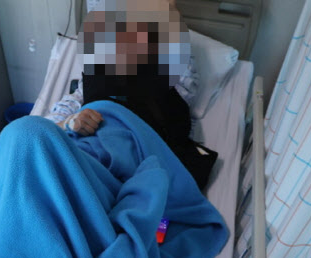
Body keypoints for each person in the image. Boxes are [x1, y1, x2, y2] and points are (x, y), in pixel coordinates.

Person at [44, 0, 217, 190]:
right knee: (26, 133)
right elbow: (46, 129)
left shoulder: (175, 80)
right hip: (86, 158)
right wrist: (70, 123)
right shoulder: (94, 77)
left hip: (135, 166)